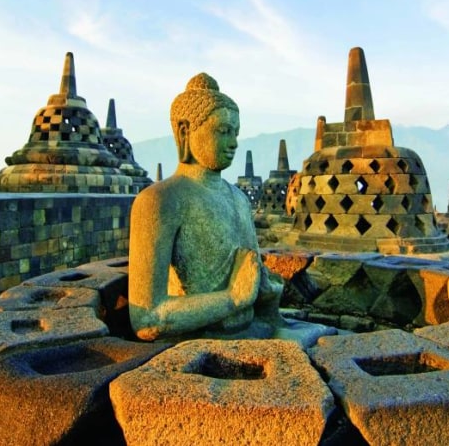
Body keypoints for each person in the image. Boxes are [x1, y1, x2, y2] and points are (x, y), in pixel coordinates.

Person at [128, 73, 334, 346]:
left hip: (253, 329)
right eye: (223, 131)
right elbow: (147, 319)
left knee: (329, 338)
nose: (234, 142)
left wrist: (266, 293)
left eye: (236, 132)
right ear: (184, 131)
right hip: (197, 345)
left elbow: (250, 281)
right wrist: (232, 298)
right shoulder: (160, 200)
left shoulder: (238, 198)